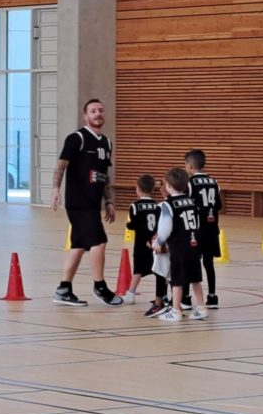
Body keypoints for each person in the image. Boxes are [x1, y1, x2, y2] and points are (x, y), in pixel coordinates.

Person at [50, 99, 123, 307]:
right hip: (78, 202)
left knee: (79, 245)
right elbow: (60, 166)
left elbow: (104, 174)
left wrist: (109, 200)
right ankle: (100, 286)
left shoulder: (106, 142)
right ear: (85, 116)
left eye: (100, 110)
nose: (97, 113)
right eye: (93, 111)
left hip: (93, 203)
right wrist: (55, 189)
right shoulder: (77, 138)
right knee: (99, 242)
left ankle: (63, 289)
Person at [152, 167, 207, 322]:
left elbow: (165, 228)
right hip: (194, 246)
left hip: (179, 248)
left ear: (168, 186)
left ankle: (176, 310)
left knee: (177, 280)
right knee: (195, 279)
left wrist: (159, 242)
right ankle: (201, 308)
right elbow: (199, 224)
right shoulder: (193, 202)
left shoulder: (167, 205)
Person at [122, 174, 168, 317]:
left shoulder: (135, 206)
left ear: (139, 189)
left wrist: (129, 225)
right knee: (159, 271)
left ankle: (130, 294)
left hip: (141, 244)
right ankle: (162, 296)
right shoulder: (157, 206)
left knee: (138, 271)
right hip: (154, 244)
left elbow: (133, 224)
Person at [185, 149, 222, 308]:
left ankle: (186, 297)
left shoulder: (190, 183)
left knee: (190, 262)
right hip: (212, 229)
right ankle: (212, 296)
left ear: (190, 165)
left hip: (196, 230)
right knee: (209, 263)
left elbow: (187, 206)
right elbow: (218, 205)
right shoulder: (214, 182)